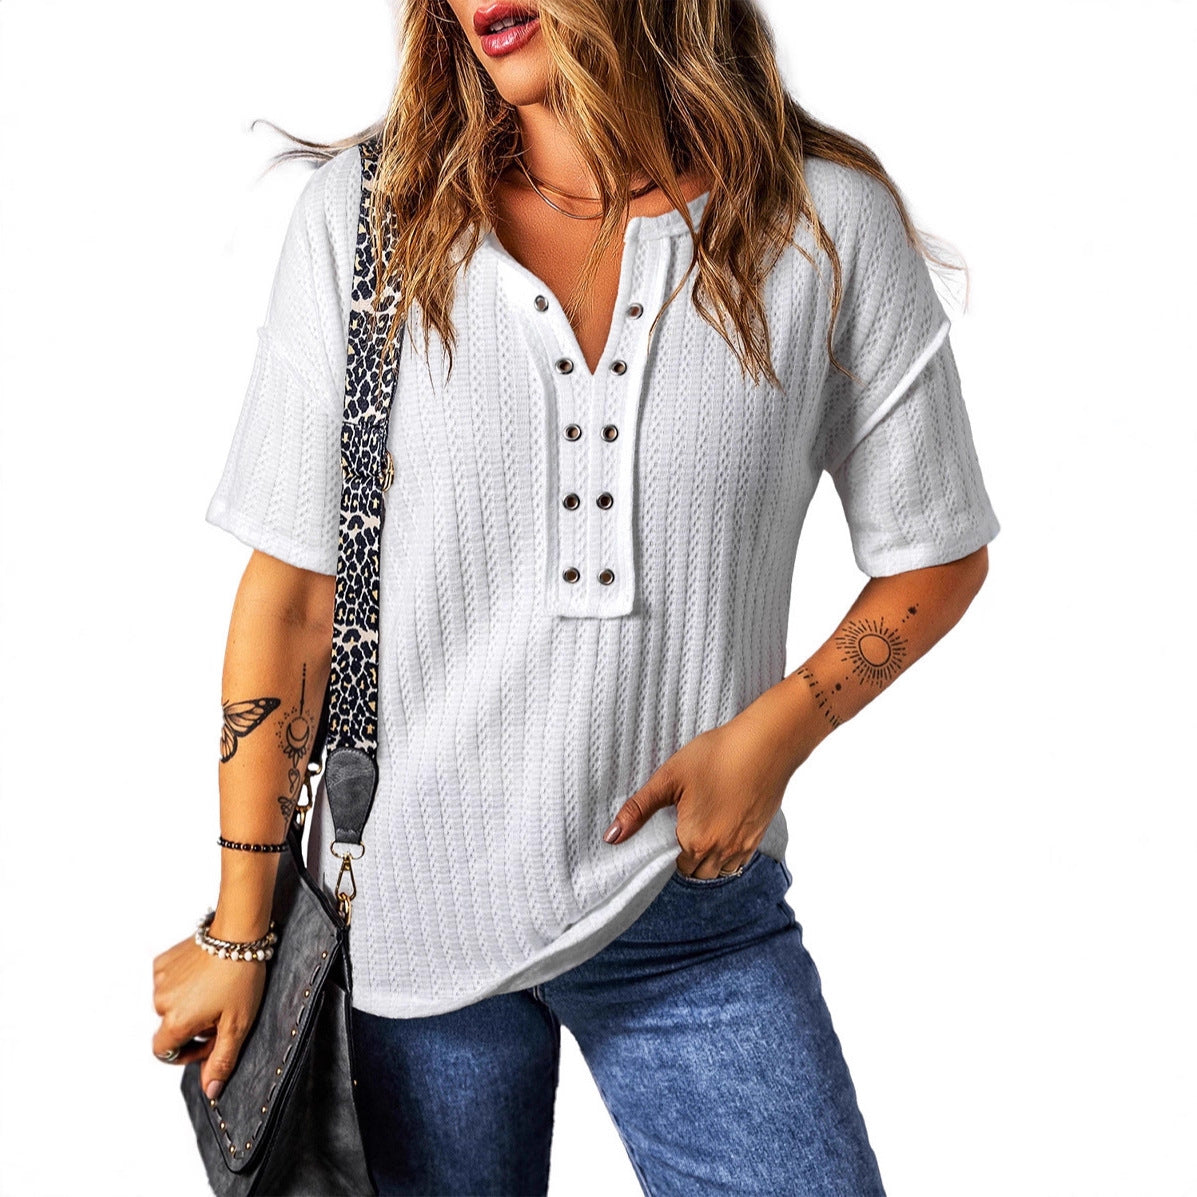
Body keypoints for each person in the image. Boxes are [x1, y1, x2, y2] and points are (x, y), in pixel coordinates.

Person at [151, 0, 1001, 1192]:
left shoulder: (821, 223)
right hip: (412, 919)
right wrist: (242, 925)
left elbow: (936, 551)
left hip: (690, 905)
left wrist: (774, 734)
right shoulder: (373, 218)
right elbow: (292, 591)